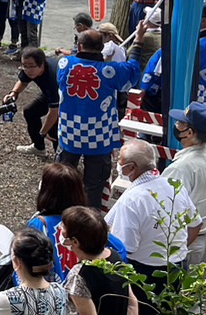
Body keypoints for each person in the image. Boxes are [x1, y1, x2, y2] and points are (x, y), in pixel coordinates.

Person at [104, 139, 199, 315]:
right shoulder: (174, 186)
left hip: (143, 273)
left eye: (121, 162)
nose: (118, 166)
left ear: (131, 168)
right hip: (175, 268)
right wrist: (177, 250)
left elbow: (124, 248)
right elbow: (196, 225)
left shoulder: (133, 199)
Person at [56, 29, 144, 207]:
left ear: (80, 46)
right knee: (94, 186)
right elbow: (133, 70)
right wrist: (138, 41)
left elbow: (75, 58)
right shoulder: (109, 71)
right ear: (102, 47)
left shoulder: (64, 63)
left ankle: (59, 212)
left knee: (62, 179)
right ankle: (89, 221)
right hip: (100, 135)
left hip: (69, 132)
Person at [165, 101, 206, 265]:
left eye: (180, 123)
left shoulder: (181, 168)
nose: (176, 126)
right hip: (205, 238)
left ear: (190, 132)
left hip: (185, 241)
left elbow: (166, 208)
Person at [9, 47, 59, 157]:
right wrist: (14, 93)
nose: (27, 70)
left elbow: (54, 112)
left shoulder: (52, 77)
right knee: (30, 112)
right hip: (49, 94)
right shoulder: (30, 69)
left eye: (31, 66)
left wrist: (43, 132)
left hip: (67, 97)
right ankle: (39, 147)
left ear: (42, 64)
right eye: (24, 66)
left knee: (54, 129)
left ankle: (62, 161)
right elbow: (23, 81)